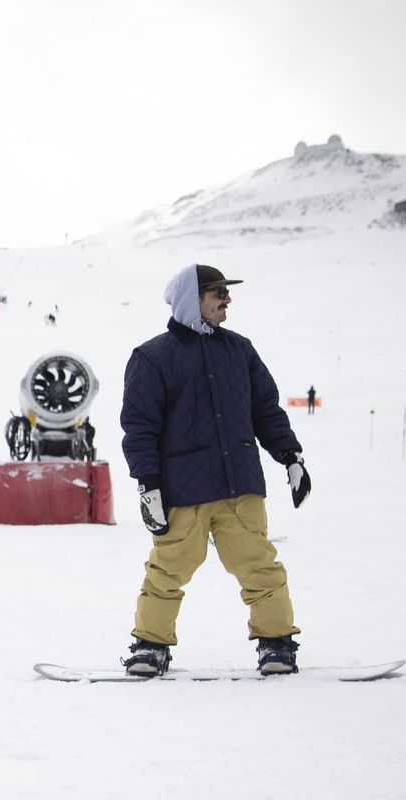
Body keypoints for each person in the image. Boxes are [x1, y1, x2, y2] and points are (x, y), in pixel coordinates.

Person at [119, 264, 311, 677]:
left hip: (239, 483)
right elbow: (140, 427)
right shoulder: (152, 357)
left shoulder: (239, 350)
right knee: (167, 571)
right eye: (217, 292)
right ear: (193, 297)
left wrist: (291, 456)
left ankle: (276, 643)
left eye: (226, 292)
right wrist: (148, 484)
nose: (226, 299)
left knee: (259, 565)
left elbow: (266, 411)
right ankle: (150, 646)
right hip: (182, 488)